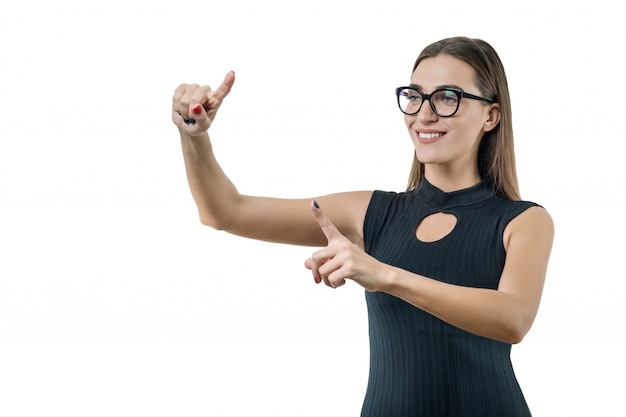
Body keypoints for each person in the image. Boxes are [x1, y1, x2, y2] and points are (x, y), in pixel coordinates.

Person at [172, 36, 554, 417]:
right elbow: (226, 211)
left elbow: (513, 319)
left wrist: (385, 275)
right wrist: (195, 136)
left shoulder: (523, 221)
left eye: (447, 97)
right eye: (415, 96)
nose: (424, 114)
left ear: (491, 115)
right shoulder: (372, 212)